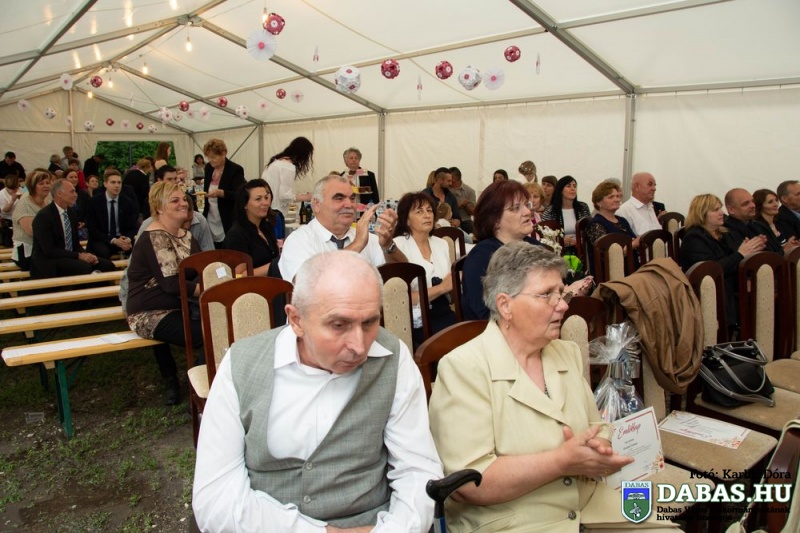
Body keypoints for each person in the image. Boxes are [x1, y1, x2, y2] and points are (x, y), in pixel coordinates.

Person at [429, 242, 678, 533]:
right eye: (547, 294)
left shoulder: (565, 352)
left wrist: (598, 450)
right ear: (505, 305)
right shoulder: (463, 368)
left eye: (561, 293)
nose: (562, 305)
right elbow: (470, 484)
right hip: (515, 520)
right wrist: (562, 462)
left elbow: (596, 427)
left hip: (587, 503)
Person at [193, 251, 443, 532]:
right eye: (339, 325)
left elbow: (418, 471)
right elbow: (215, 497)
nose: (359, 346)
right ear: (296, 320)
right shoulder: (242, 364)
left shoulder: (394, 358)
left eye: (369, 322)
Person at [462, 180, 593, 321]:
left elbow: (562, 280)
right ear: (495, 220)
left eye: (526, 205)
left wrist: (578, 286)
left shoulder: (535, 247)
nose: (527, 212)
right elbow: (486, 315)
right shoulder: (480, 258)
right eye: (515, 208)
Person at [125, 181, 203, 405]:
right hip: (149, 313)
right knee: (206, 335)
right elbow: (170, 284)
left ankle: (207, 389)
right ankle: (199, 398)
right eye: (174, 200)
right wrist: (207, 289)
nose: (183, 203)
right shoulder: (154, 236)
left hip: (179, 306)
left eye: (183, 199)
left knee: (218, 327)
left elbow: (201, 269)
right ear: (159, 207)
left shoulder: (186, 236)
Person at [279, 174, 406, 283]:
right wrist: (356, 245)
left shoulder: (367, 238)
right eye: (339, 198)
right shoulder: (299, 240)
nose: (349, 204)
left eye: (352, 198)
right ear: (317, 204)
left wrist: (388, 246)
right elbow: (308, 284)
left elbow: (404, 278)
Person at [679, 193, 766, 331]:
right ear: (701, 213)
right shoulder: (694, 238)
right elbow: (709, 270)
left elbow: (733, 259)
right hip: (709, 293)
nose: (722, 213)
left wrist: (750, 250)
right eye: (715, 210)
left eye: (720, 208)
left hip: (730, 286)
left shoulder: (723, 233)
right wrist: (741, 254)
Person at [392, 192, 457, 346]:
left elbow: (451, 289)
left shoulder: (441, 244)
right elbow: (401, 298)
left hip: (444, 312)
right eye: (419, 211)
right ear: (407, 220)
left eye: (429, 211)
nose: (427, 215)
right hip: (416, 321)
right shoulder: (397, 246)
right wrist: (441, 288)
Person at [30, 178, 115, 278]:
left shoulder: (71, 214)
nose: (76, 195)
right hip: (49, 261)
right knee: (84, 267)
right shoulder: (44, 217)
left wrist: (87, 255)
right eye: (72, 191)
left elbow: (75, 245)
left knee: (108, 265)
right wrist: (79, 256)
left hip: (69, 256)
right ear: (59, 194)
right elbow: (49, 250)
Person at [223, 179, 280, 278]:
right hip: (252, 286)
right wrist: (273, 266)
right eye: (258, 199)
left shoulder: (266, 227)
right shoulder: (237, 235)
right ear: (245, 204)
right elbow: (238, 275)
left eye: (266, 198)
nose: (265, 203)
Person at [586, 181, 639, 272]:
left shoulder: (622, 220)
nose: (616, 199)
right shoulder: (595, 224)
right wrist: (633, 244)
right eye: (611, 197)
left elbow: (632, 241)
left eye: (617, 196)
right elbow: (610, 255)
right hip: (609, 273)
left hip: (631, 268)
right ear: (598, 202)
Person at [85, 170, 139, 259]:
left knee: (139, 248)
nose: (117, 185)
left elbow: (133, 226)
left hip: (122, 238)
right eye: (113, 182)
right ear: (105, 184)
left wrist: (128, 239)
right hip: (102, 239)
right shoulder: (94, 202)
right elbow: (92, 229)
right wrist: (113, 240)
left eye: (119, 182)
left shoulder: (128, 202)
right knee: (102, 251)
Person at [203, 138, 246, 245]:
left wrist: (221, 193)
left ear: (223, 153)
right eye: (208, 157)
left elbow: (241, 194)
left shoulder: (235, 169)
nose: (210, 160)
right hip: (211, 215)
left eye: (214, 157)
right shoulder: (208, 168)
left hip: (227, 217)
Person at [261, 136, 314, 213]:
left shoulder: (277, 162)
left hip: (269, 208)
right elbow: (285, 196)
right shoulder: (287, 166)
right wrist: (307, 197)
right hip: (275, 211)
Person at [723, 188, 784, 255]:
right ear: (731, 210)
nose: (753, 205)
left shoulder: (760, 225)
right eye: (745, 204)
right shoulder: (726, 231)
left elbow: (779, 250)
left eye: (752, 201)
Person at [11, 169, 51, 270]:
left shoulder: (47, 201)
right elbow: (32, 231)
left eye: (47, 183)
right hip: (26, 253)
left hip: (43, 250)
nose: (46, 186)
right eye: (41, 183)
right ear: (32, 186)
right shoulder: (25, 204)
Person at [542, 175, 591, 254]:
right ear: (560, 190)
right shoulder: (550, 211)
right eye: (568, 186)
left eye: (574, 186)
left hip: (582, 250)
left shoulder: (583, 207)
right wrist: (560, 240)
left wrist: (580, 240)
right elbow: (545, 235)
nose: (573, 189)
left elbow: (589, 229)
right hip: (558, 252)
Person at [616, 172, 662, 236]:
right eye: (650, 184)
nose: (654, 188)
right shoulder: (624, 211)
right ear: (637, 187)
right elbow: (625, 240)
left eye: (654, 185)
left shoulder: (650, 207)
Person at [448, 166, 476, 234]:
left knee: (475, 232)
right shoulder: (446, 190)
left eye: (450, 179)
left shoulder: (470, 191)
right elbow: (444, 208)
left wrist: (466, 205)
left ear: (455, 179)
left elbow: (473, 212)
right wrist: (458, 205)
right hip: (451, 220)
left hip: (465, 220)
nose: (449, 181)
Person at [0, 174, 21, 247]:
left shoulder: (21, 190)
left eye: (16, 188)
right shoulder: (2, 193)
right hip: (8, 219)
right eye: (12, 189)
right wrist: (12, 200)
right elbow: (4, 210)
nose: (14, 190)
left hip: (19, 217)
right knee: (9, 243)